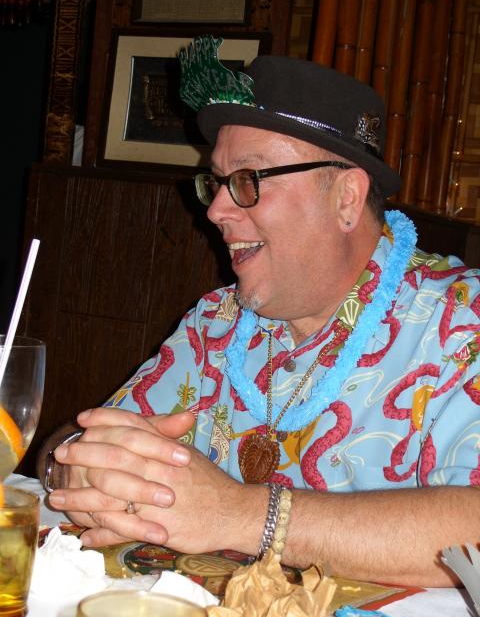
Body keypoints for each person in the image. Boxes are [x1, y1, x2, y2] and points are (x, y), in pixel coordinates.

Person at [39, 36, 480, 588]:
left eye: (248, 180)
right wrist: (76, 465)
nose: (216, 210)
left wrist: (239, 514)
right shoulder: (214, 323)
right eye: (217, 183)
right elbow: (80, 439)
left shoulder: (462, 324)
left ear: (346, 197)